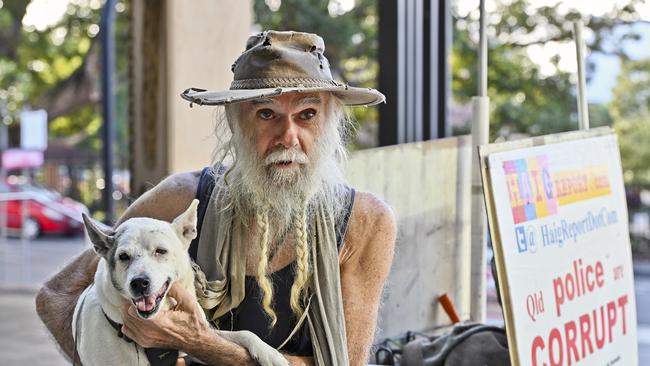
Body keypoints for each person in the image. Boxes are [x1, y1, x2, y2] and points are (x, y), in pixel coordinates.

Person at [36, 30, 396, 366]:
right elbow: (56, 297)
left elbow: (343, 361)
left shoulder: (365, 223)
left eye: (307, 114)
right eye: (267, 113)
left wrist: (202, 343)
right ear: (238, 120)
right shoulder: (182, 199)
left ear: (330, 120)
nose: (289, 136)